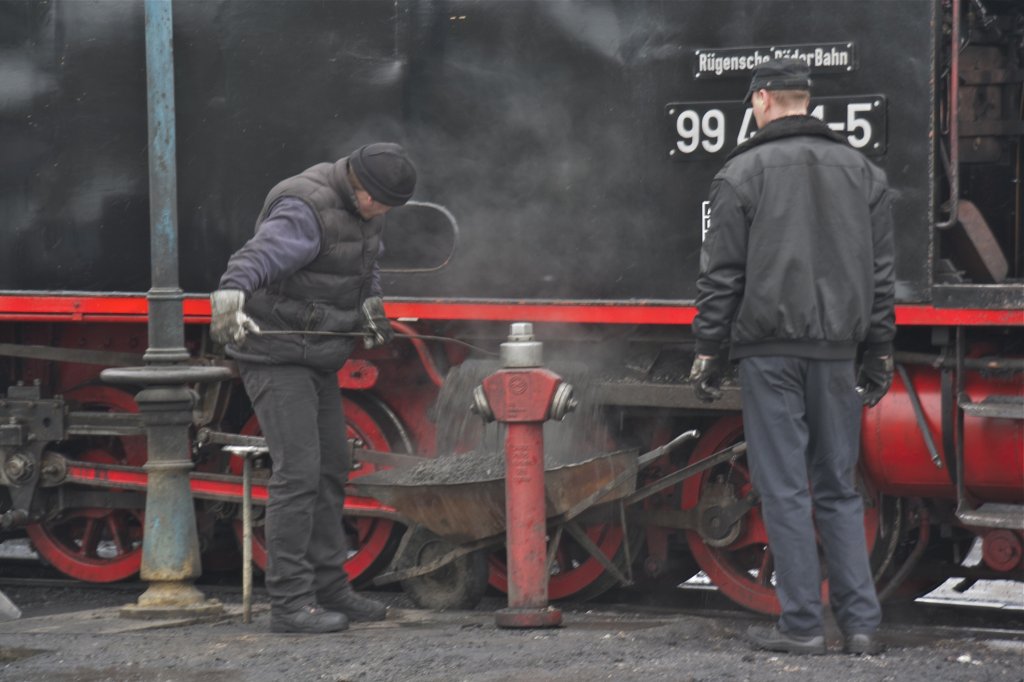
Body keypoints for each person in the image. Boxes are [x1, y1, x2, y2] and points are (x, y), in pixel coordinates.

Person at [689, 59, 895, 656]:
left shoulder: (740, 173)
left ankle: (802, 625)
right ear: (806, 101)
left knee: (785, 489)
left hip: (769, 353)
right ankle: (861, 627)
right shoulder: (864, 173)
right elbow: (881, 277)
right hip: (837, 355)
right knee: (838, 488)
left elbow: (721, 275)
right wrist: (877, 349)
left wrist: (708, 348)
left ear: (761, 101)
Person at [209, 142, 416, 633]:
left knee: (330, 469)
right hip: (275, 353)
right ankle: (289, 603)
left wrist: (372, 303)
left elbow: (367, 263)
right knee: (298, 473)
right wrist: (231, 293)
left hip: (317, 353)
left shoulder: (365, 209)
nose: (382, 214)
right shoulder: (306, 207)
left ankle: (330, 588)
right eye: (380, 204)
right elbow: (257, 256)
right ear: (359, 188)